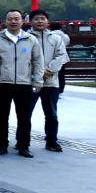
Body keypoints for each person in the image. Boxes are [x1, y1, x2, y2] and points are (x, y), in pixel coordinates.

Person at [0, 10, 44, 158]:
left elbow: (38, 61)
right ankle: (1, 144)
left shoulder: (31, 39)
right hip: (2, 83)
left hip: (25, 83)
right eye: (10, 19)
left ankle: (24, 146)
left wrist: (38, 81)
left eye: (17, 19)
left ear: (23, 21)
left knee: (24, 116)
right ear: (5, 22)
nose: (13, 22)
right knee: (1, 116)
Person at [29, 10, 68, 153]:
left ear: (47, 21)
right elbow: (22, 59)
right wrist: (38, 73)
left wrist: (49, 70)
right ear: (30, 22)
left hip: (51, 83)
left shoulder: (56, 38)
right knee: (26, 112)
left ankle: (51, 141)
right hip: (32, 84)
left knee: (51, 113)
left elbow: (61, 56)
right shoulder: (26, 38)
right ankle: (23, 141)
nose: (39, 21)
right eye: (36, 19)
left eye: (42, 18)